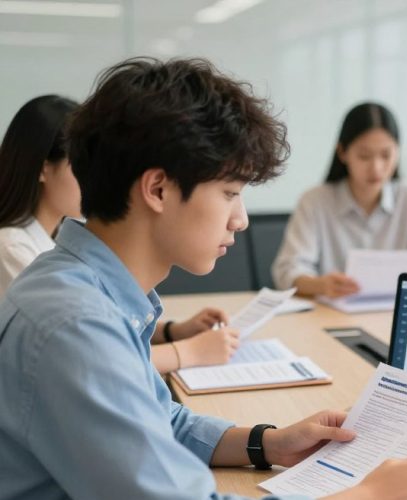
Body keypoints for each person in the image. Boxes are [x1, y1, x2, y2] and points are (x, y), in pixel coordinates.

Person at [0, 58, 407, 500]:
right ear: (158, 189)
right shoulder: (73, 323)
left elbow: (160, 422)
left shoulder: (84, 287)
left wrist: (265, 442)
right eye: (230, 193)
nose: (242, 218)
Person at [0, 95, 239, 373]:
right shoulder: (13, 248)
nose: (92, 179)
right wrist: (190, 352)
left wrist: (173, 331)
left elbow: (103, 331)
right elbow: (90, 357)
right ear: (43, 169)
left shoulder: (54, 238)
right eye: (79, 167)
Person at [272, 102, 407, 297]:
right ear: (343, 152)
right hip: (329, 316)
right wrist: (321, 285)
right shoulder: (315, 201)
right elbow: (286, 272)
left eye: (386, 155)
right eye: (364, 156)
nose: (376, 168)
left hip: (393, 314)